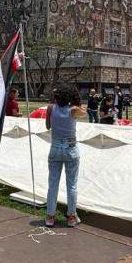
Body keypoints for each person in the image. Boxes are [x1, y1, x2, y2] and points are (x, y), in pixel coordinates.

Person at [44, 84, 87, 228]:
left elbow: (48, 126)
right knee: (72, 185)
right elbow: (84, 113)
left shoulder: (51, 108)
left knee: (53, 184)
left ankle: (50, 215)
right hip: (71, 148)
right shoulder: (74, 110)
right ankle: (71, 216)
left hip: (55, 147)